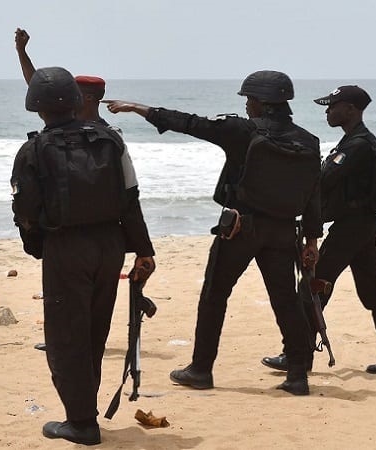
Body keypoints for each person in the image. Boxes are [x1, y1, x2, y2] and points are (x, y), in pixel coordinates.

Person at [103, 70, 321, 395]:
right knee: (286, 299)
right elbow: (315, 194)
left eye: (249, 99)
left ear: (261, 102)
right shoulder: (307, 140)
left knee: (214, 295)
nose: (247, 105)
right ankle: (298, 375)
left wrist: (138, 108)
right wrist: (312, 240)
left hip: (241, 228)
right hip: (284, 231)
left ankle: (201, 370)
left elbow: (189, 123)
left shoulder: (242, 130)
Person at [11, 66, 156, 446]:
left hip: (67, 248)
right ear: (77, 102)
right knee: (94, 330)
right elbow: (131, 198)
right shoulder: (111, 140)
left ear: (36, 108)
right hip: (110, 246)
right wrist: (144, 250)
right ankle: (84, 412)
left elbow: (25, 209)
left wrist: (38, 246)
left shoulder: (34, 149)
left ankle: (81, 422)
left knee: (65, 337)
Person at [260, 85, 376, 374]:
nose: (327, 111)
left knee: (314, 284)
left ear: (350, 109)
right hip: (360, 226)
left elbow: (323, 179)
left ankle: (298, 355)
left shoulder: (357, 145)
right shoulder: (354, 142)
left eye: (332, 106)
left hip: (352, 227)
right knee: (375, 292)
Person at [15, 27, 139, 353]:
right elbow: (37, 87)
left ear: (83, 98)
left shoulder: (106, 135)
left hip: (79, 236)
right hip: (104, 239)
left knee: (77, 301)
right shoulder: (104, 133)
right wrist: (22, 53)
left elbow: (127, 193)